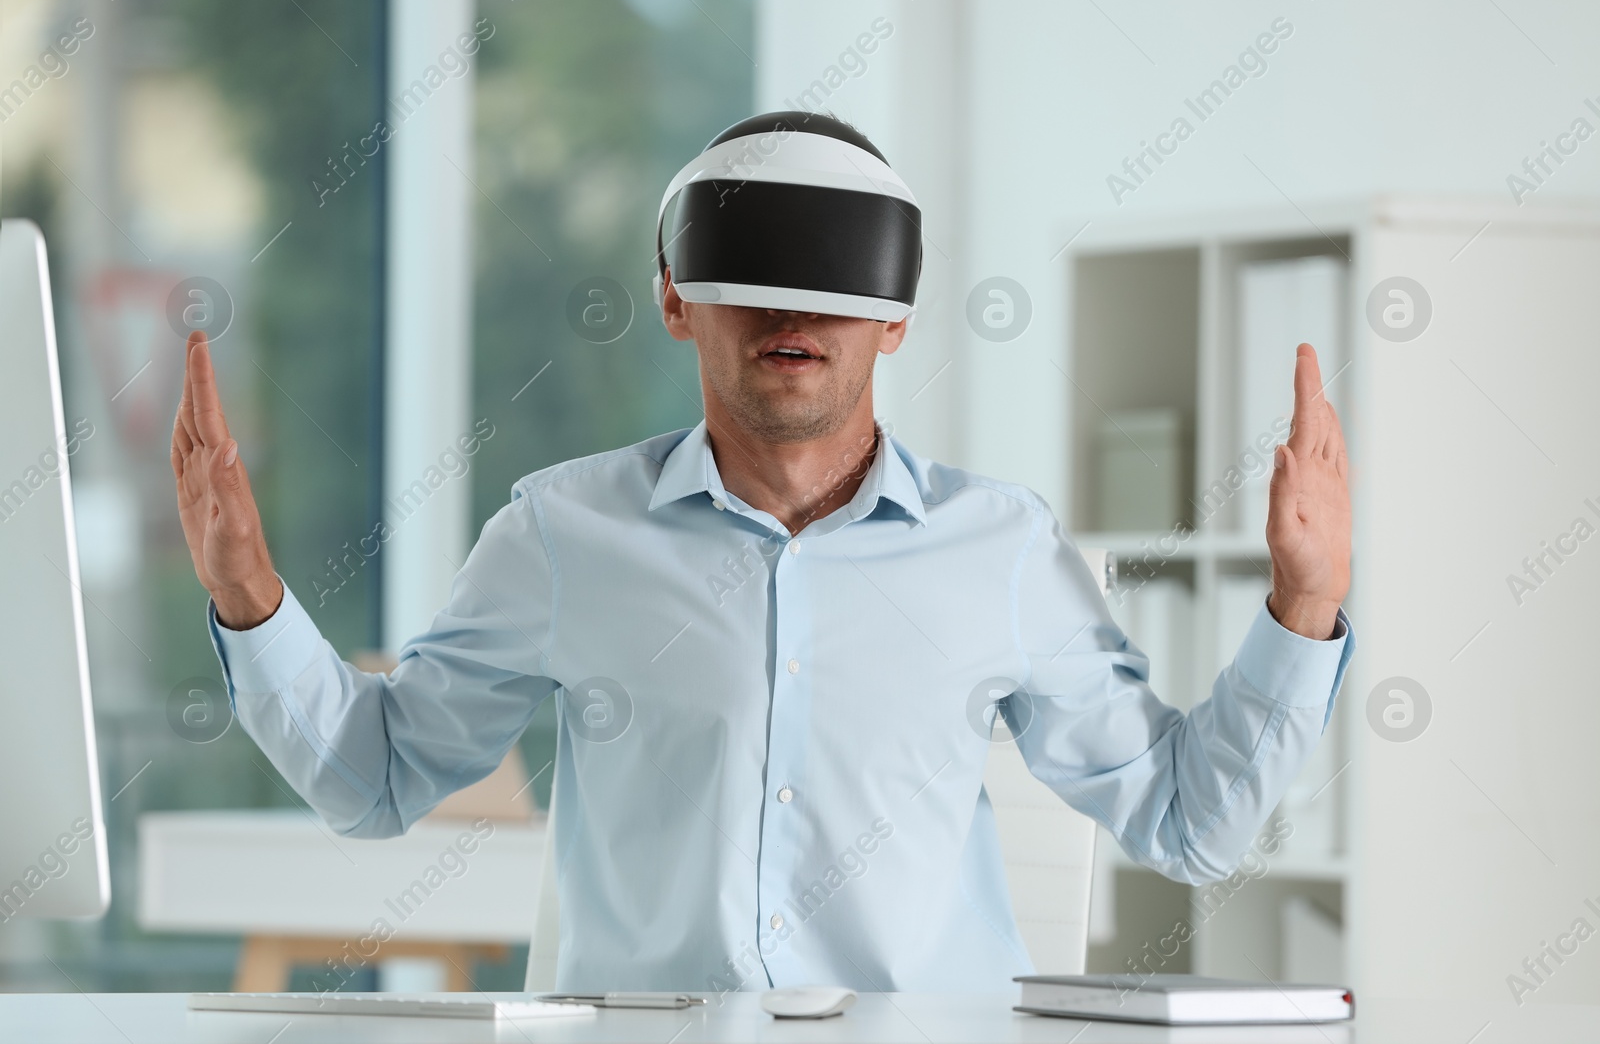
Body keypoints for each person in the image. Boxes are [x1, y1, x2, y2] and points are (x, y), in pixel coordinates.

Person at [172, 112, 1353, 993]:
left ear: (895, 316)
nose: (794, 319)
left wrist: (1303, 605)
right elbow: (377, 782)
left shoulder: (1000, 548)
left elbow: (1192, 822)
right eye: (753, 282)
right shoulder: (561, 532)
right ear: (679, 298)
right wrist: (248, 594)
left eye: (835, 289)